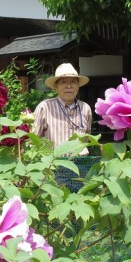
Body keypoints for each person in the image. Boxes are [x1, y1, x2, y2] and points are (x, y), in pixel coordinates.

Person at [33, 62, 93, 193]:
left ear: (78, 86)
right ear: (55, 86)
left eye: (73, 82)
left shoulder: (85, 108)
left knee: (81, 203)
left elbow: (86, 138)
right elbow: (34, 140)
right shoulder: (45, 107)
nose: (69, 86)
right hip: (54, 167)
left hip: (81, 166)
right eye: (63, 82)